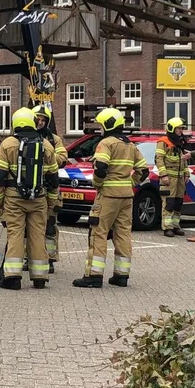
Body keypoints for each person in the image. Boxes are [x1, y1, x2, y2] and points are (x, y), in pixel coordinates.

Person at [73, 108, 148, 288]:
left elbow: (100, 167)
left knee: (98, 232)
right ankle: (121, 275)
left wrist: (98, 183)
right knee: (122, 234)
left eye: (101, 125)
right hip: (126, 196)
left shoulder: (106, 143)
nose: (99, 129)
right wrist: (130, 182)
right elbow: (143, 171)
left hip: (108, 195)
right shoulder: (130, 145)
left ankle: (94, 275)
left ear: (108, 124)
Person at [0, 107, 58, 290]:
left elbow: (0, 176)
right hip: (39, 199)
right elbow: (53, 178)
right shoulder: (46, 145)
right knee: (37, 235)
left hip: (14, 199)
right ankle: (40, 277)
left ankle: (13, 277)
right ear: (33, 121)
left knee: (16, 235)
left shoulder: (7, 145)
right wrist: (52, 202)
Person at [34, 103, 69, 271]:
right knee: (31, 225)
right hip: (33, 188)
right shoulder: (26, 138)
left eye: (43, 119)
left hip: (51, 187)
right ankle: (29, 257)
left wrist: (47, 156)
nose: (40, 122)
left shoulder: (54, 139)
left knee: (50, 225)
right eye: (38, 119)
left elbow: (63, 157)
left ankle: (49, 257)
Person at [156, 117, 189, 237]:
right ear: (172, 129)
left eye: (181, 128)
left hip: (180, 178)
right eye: (178, 128)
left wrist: (186, 173)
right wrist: (163, 175)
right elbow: (159, 159)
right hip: (169, 177)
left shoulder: (179, 142)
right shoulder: (163, 142)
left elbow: (183, 160)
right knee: (169, 203)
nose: (181, 130)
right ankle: (167, 227)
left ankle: (175, 225)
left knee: (178, 203)